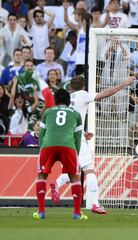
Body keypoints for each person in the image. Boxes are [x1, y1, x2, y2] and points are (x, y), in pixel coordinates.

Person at [51, 75, 135, 214]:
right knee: (89, 170)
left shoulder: (66, 100)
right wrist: (124, 84)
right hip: (77, 139)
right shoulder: (83, 95)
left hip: (64, 138)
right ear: (83, 87)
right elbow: (107, 93)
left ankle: (57, 183)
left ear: (70, 88)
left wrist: (83, 132)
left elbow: (67, 122)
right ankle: (95, 203)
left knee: (75, 171)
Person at [33, 88, 85, 220]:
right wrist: (76, 153)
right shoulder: (76, 114)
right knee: (74, 177)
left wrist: (42, 148)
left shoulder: (48, 112)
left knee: (42, 176)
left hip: (48, 145)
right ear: (69, 101)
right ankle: (77, 213)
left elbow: (42, 133)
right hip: (68, 146)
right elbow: (77, 137)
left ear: (55, 101)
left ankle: (41, 212)